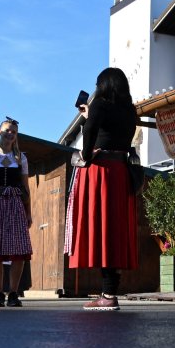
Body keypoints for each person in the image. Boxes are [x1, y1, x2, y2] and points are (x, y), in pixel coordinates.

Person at [65, 69, 140, 311]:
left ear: (104, 85)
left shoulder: (99, 104)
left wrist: (86, 155)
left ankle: (107, 296)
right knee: (114, 231)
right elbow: (113, 131)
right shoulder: (130, 110)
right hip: (120, 172)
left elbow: (90, 132)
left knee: (99, 229)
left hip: (100, 172)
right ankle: (109, 292)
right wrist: (91, 114)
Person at [0, 117, 33, 306]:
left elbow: (25, 187)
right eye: (7, 130)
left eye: (13, 131)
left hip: (15, 204)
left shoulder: (20, 157)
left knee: (19, 250)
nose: (10, 133)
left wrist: (28, 212)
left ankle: (13, 292)